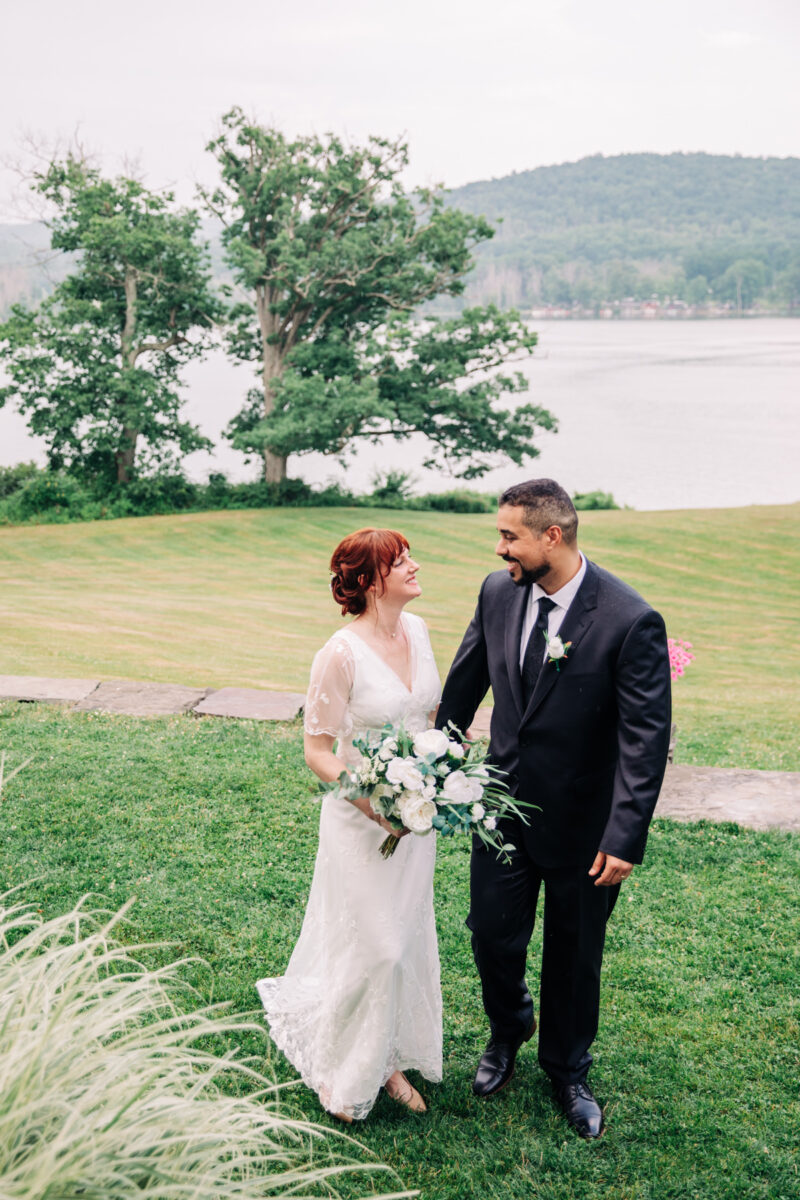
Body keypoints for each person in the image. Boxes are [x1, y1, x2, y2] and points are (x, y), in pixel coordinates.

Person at [435, 479, 671, 1138]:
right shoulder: (496, 592)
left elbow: (645, 740)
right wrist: (435, 766)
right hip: (500, 812)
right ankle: (509, 1029)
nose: (499, 548)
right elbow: (464, 685)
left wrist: (624, 835)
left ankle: (567, 1070)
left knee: (574, 953)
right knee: (491, 934)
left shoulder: (629, 619)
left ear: (553, 536)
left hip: (585, 828)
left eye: (509, 536)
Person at [256, 527, 442, 1122]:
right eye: (400, 560)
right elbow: (317, 751)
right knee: (375, 947)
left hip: (415, 820)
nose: (414, 566)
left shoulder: (419, 631)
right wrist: (375, 807)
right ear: (368, 581)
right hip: (360, 822)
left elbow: (428, 720)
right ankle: (357, 1069)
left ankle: (389, 1052)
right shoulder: (339, 653)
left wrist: (439, 778)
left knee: (402, 941)